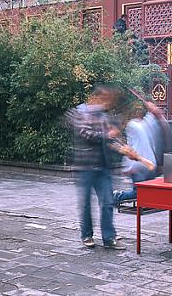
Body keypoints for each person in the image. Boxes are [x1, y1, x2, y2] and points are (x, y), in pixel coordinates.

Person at [66, 85, 154, 250]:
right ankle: (87, 235)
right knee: (85, 204)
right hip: (85, 168)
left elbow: (111, 141)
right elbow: (86, 134)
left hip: (103, 167)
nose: (107, 104)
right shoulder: (79, 113)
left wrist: (125, 150)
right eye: (105, 100)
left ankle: (109, 238)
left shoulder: (103, 117)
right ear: (95, 97)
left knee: (107, 202)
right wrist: (107, 135)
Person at [113, 101, 163, 203]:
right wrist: (152, 110)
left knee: (148, 191)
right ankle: (117, 196)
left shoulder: (144, 124)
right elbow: (132, 149)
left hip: (149, 164)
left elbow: (151, 119)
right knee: (138, 193)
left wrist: (153, 111)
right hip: (138, 166)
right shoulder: (132, 126)